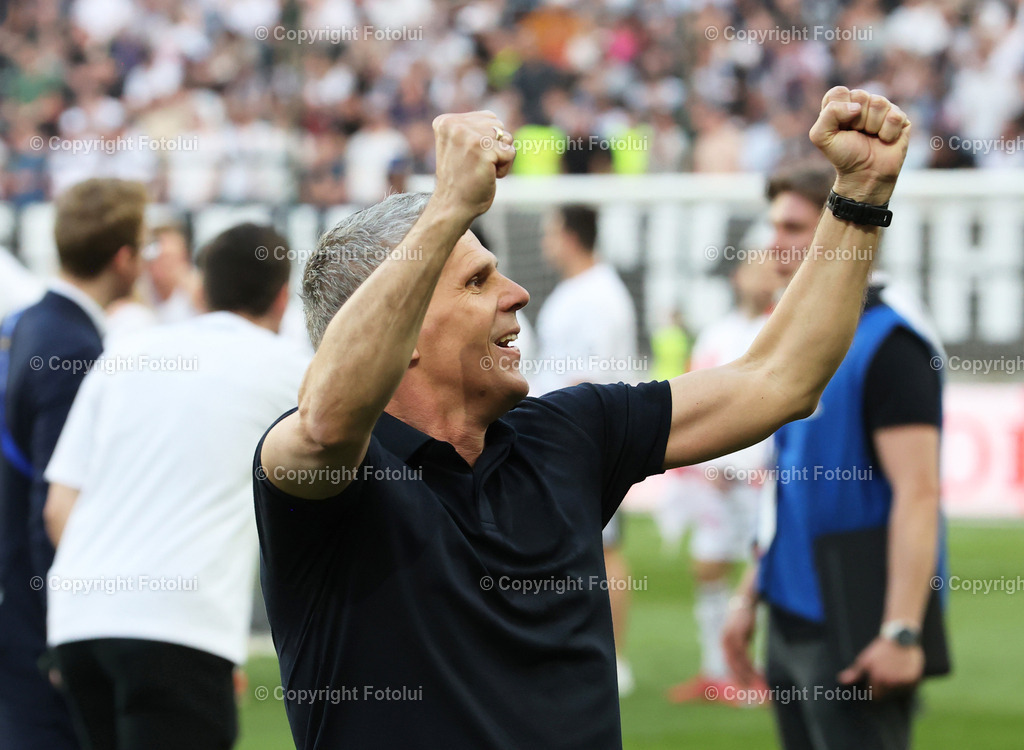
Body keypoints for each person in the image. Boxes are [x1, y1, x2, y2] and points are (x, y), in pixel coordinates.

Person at [256, 90, 913, 749]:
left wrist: (860, 194)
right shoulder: (329, 479)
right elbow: (326, 422)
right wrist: (446, 207)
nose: (518, 294)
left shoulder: (570, 434)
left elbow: (778, 380)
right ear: (406, 330)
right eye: (479, 282)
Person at [43, 223, 309, 750]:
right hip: (176, 628)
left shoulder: (122, 355)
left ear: (201, 288)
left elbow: (58, 507)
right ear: (282, 297)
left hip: (78, 624)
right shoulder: (290, 373)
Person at [723, 162, 947, 749]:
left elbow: (919, 492)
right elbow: (786, 488)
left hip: (855, 627)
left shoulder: (891, 343)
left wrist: (901, 632)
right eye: (773, 226)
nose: (774, 244)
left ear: (841, 231)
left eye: (794, 228)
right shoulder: (797, 341)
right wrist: (751, 594)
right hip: (788, 615)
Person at [0, 178, 146, 750]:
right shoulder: (71, 345)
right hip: (41, 621)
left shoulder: (37, 324)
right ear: (123, 257)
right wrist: (60, 637)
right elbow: (55, 503)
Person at [534, 203, 640, 695]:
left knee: (606, 545)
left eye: (551, 232)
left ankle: (615, 659)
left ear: (571, 235)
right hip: (561, 435)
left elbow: (593, 372)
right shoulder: (575, 290)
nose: (544, 242)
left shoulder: (601, 294)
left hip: (586, 437)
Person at [667, 247, 778, 705]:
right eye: (752, 266)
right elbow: (697, 396)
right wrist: (701, 461)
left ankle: (761, 673)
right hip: (716, 476)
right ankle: (716, 670)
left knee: (765, 572)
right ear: (736, 276)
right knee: (708, 566)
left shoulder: (781, 330)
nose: (760, 275)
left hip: (761, 478)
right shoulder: (716, 333)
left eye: (767, 266)